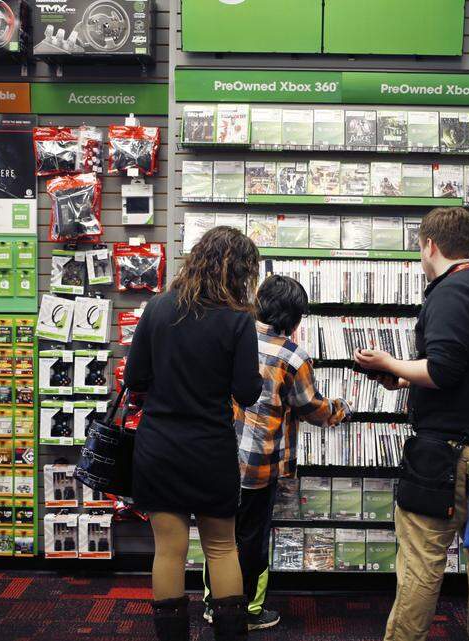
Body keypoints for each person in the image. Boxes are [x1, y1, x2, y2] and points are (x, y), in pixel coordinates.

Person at [355, 207, 469, 641]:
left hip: (452, 457)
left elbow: (444, 369)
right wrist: (400, 377)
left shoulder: (450, 293)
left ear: (429, 245)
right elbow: (466, 371)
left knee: (420, 558)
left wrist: (390, 362)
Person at [125, 226, 264, 641]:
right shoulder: (238, 320)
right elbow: (247, 392)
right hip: (210, 448)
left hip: (159, 446)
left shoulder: (158, 307)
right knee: (221, 548)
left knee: (169, 551)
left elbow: (134, 378)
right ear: (241, 272)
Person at [203, 275, 352, 630]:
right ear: (294, 318)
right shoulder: (292, 355)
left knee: (220, 536)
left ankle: (213, 605)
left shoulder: (230, 337)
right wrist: (340, 409)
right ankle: (248, 611)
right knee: (252, 540)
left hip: (217, 456)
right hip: (258, 465)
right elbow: (310, 407)